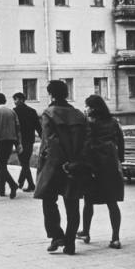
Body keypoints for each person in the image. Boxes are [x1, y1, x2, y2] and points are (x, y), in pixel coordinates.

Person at [33, 80, 91, 255]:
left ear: (51, 94)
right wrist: (76, 161)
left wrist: (60, 161)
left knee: (48, 200)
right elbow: (87, 141)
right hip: (75, 165)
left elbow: (51, 141)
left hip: (54, 165)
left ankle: (57, 236)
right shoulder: (79, 114)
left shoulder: (49, 113)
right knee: (72, 203)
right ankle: (70, 242)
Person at [76, 95, 125, 249]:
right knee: (112, 202)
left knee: (88, 201)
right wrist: (120, 159)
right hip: (110, 165)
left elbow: (85, 143)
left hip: (93, 165)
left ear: (93, 108)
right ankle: (115, 238)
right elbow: (121, 141)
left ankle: (86, 232)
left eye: (87, 106)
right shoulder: (113, 122)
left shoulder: (89, 122)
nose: (86, 108)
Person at [0, 93, 21, 199]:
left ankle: (12, 185)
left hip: (0, 141)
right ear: (5, 101)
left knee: (1, 166)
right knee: (3, 165)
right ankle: (1, 190)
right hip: (10, 140)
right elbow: (17, 127)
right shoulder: (12, 112)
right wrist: (17, 143)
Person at [12, 92, 41, 192]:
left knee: (24, 162)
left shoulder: (14, 112)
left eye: (16, 99)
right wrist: (42, 136)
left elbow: (14, 127)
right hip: (30, 140)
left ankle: (30, 185)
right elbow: (38, 126)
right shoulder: (32, 111)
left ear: (21, 100)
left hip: (19, 140)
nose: (15, 102)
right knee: (25, 161)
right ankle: (22, 182)